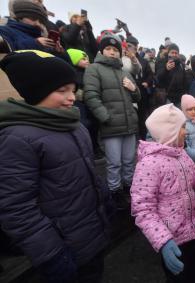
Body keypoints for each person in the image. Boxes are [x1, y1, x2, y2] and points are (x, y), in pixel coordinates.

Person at [0, 50, 110, 283]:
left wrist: (104, 198)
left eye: (72, 89)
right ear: (36, 91)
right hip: (62, 247)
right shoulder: (17, 138)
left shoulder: (75, 125)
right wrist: (51, 256)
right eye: (62, 91)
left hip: (90, 233)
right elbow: (17, 208)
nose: (72, 97)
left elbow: (87, 170)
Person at [131, 103, 195, 283]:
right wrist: (163, 241)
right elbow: (143, 210)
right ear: (169, 132)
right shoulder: (149, 164)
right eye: (183, 128)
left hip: (192, 233)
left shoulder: (182, 155)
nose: (186, 132)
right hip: (173, 242)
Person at [84, 34, 141, 209]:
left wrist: (134, 88)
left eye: (115, 50)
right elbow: (91, 96)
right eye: (108, 49)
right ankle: (115, 191)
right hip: (111, 126)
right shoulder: (93, 69)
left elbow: (137, 96)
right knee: (114, 163)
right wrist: (105, 117)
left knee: (129, 160)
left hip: (129, 125)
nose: (112, 52)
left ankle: (128, 187)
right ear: (102, 51)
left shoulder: (124, 71)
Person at [66, 48, 103, 159]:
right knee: (86, 125)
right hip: (80, 104)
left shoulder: (89, 71)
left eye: (87, 58)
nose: (87, 60)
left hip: (90, 104)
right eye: (82, 59)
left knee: (94, 126)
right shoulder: (73, 73)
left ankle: (96, 148)